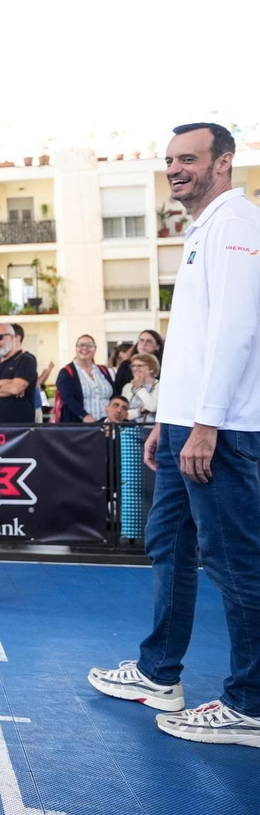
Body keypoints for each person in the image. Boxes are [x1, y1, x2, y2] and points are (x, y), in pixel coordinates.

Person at [89, 122, 260, 748]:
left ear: (223, 162)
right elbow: (192, 345)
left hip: (223, 428)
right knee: (168, 542)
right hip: (187, 423)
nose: (175, 169)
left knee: (235, 562)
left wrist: (205, 423)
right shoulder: (203, 230)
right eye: (169, 160)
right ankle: (159, 673)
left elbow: (237, 332)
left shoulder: (236, 225)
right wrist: (169, 420)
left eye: (188, 158)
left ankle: (250, 704)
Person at [0, 322, 38, 425]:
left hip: (20, 430)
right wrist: (7, 382)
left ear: (13, 337)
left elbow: (15, 389)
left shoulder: (26, 360)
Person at [54, 335, 112, 423]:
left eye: (89, 345)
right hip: (79, 425)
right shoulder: (66, 372)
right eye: (81, 345)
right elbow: (67, 398)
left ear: (95, 349)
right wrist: (84, 415)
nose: (84, 348)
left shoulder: (103, 370)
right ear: (76, 348)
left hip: (106, 423)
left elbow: (114, 395)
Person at [126, 353, 160, 423]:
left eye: (140, 366)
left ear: (151, 369)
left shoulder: (159, 386)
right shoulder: (127, 387)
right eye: (133, 366)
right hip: (130, 426)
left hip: (152, 427)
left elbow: (152, 407)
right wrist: (140, 411)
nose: (135, 369)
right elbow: (124, 413)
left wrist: (139, 388)